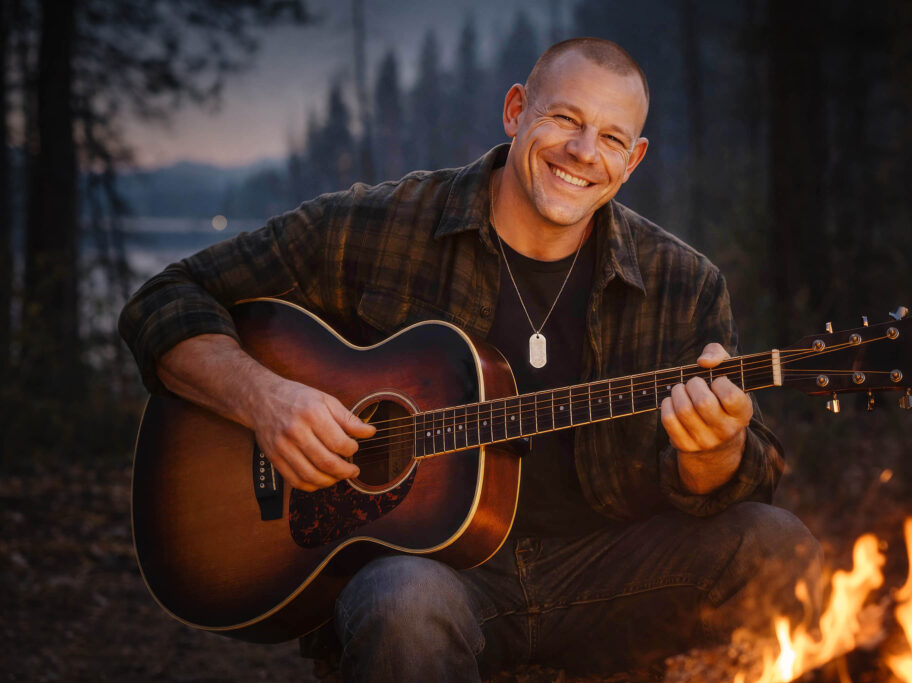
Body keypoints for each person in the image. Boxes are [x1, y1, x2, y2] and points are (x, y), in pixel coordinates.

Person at [120, 37, 821, 681]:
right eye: (564, 119)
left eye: (611, 137)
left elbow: (741, 478)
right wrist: (266, 400)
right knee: (404, 600)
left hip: (607, 574)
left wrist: (714, 458)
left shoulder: (683, 283)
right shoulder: (381, 224)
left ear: (633, 159)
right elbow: (165, 298)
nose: (583, 152)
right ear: (516, 111)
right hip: (438, 581)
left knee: (775, 544)